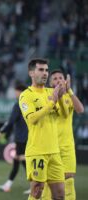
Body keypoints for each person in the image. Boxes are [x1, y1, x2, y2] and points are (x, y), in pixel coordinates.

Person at [18, 58, 67, 200]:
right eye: (41, 70)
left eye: (46, 70)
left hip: (54, 151)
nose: (45, 73)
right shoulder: (26, 95)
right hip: (37, 151)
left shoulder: (50, 92)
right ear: (31, 73)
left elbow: (63, 114)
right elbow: (32, 118)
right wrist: (52, 102)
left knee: (59, 195)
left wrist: (61, 97)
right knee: (37, 192)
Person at [42, 70, 85, 200]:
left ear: (65, 81)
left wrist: (70, 91)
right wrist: (57, 97)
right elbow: (62, 113)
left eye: (61, 78)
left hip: (67, 145)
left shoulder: (69, 96)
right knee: (49, 182)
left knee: (69, 179)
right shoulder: (46, 96)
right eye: (55, 78)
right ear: (50, 83)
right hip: (51, 145)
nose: (58, 80)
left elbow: (80, 110)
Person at [0, 84, 29, 193]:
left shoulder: (19, 104)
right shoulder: (28, 104)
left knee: (22, 160)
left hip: (21, 137)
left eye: (16, 91)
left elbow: (11, 121)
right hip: (26, 137)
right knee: (19, 160)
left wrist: (1, 132)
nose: (15, 93)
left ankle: (35, 185)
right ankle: (8, 184)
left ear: (20, 92)